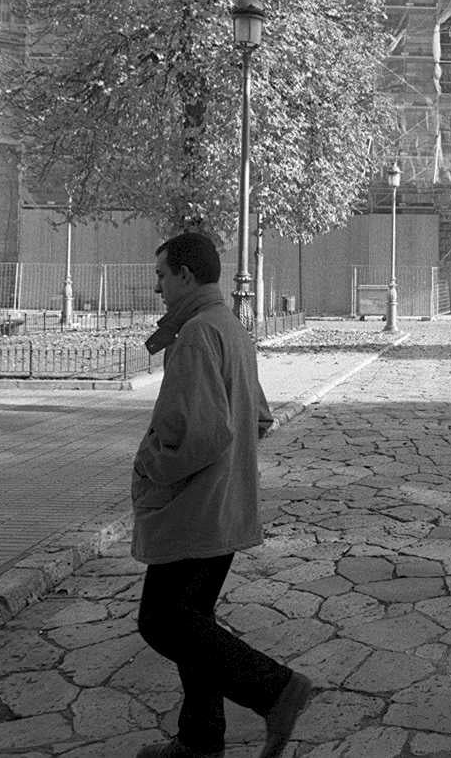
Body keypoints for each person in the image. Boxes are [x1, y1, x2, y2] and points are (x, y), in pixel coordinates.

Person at [133, 231, 314, 758]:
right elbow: (259, 416)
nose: (159, 288)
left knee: (162, 621)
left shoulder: (195, 334)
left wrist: (149, 463)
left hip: (195, 511)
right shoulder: (230, 328)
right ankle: (200, 740)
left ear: (187, 275)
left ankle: (276, 689)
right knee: (194, 625)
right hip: (226, 506)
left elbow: (201, 435)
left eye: (163, 276)